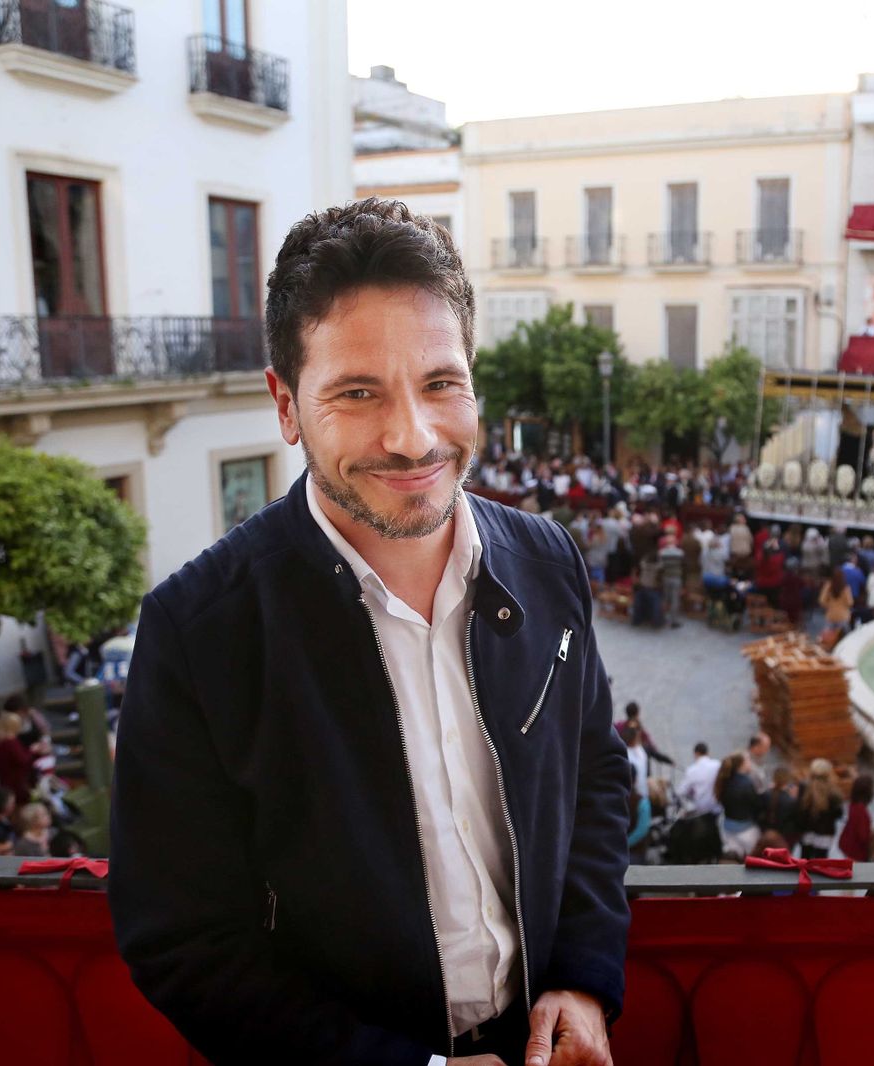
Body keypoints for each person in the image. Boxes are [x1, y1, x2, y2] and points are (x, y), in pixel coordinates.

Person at [110, 200, 627, 1066]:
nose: (412, 436)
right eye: (357, 393)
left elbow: (595, 774)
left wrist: (581, 973)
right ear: (286, 405)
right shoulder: (198, 633)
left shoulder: (546, 561)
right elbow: (184, 941)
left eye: (440, 383)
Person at [714, 751, 763, 859]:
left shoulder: (724, 779)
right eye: (748, 760)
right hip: (746, 830)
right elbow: (756, 806)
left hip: (727, 827)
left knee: (736, 859)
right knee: (752, 859)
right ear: (742, 764)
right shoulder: (747, 783)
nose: (750, 763)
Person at [797, 759, 844, 860]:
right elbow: (839, 813)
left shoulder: (804, 787)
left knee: (805, 859)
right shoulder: (833, 791)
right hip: (825, 833)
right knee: (821, 861)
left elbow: (799, 810)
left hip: (806, 831)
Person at [838, 774, 874, 862]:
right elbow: (863, 837)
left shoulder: (853, 804)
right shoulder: (861, 811)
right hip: (857, 852)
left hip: (848, 845)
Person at [677, 741, 721, 815]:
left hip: (702, 809)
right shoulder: (718, 764)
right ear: (707, 753)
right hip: (718, 806)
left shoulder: (692, 770)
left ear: (696, 753)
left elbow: (681, 791)